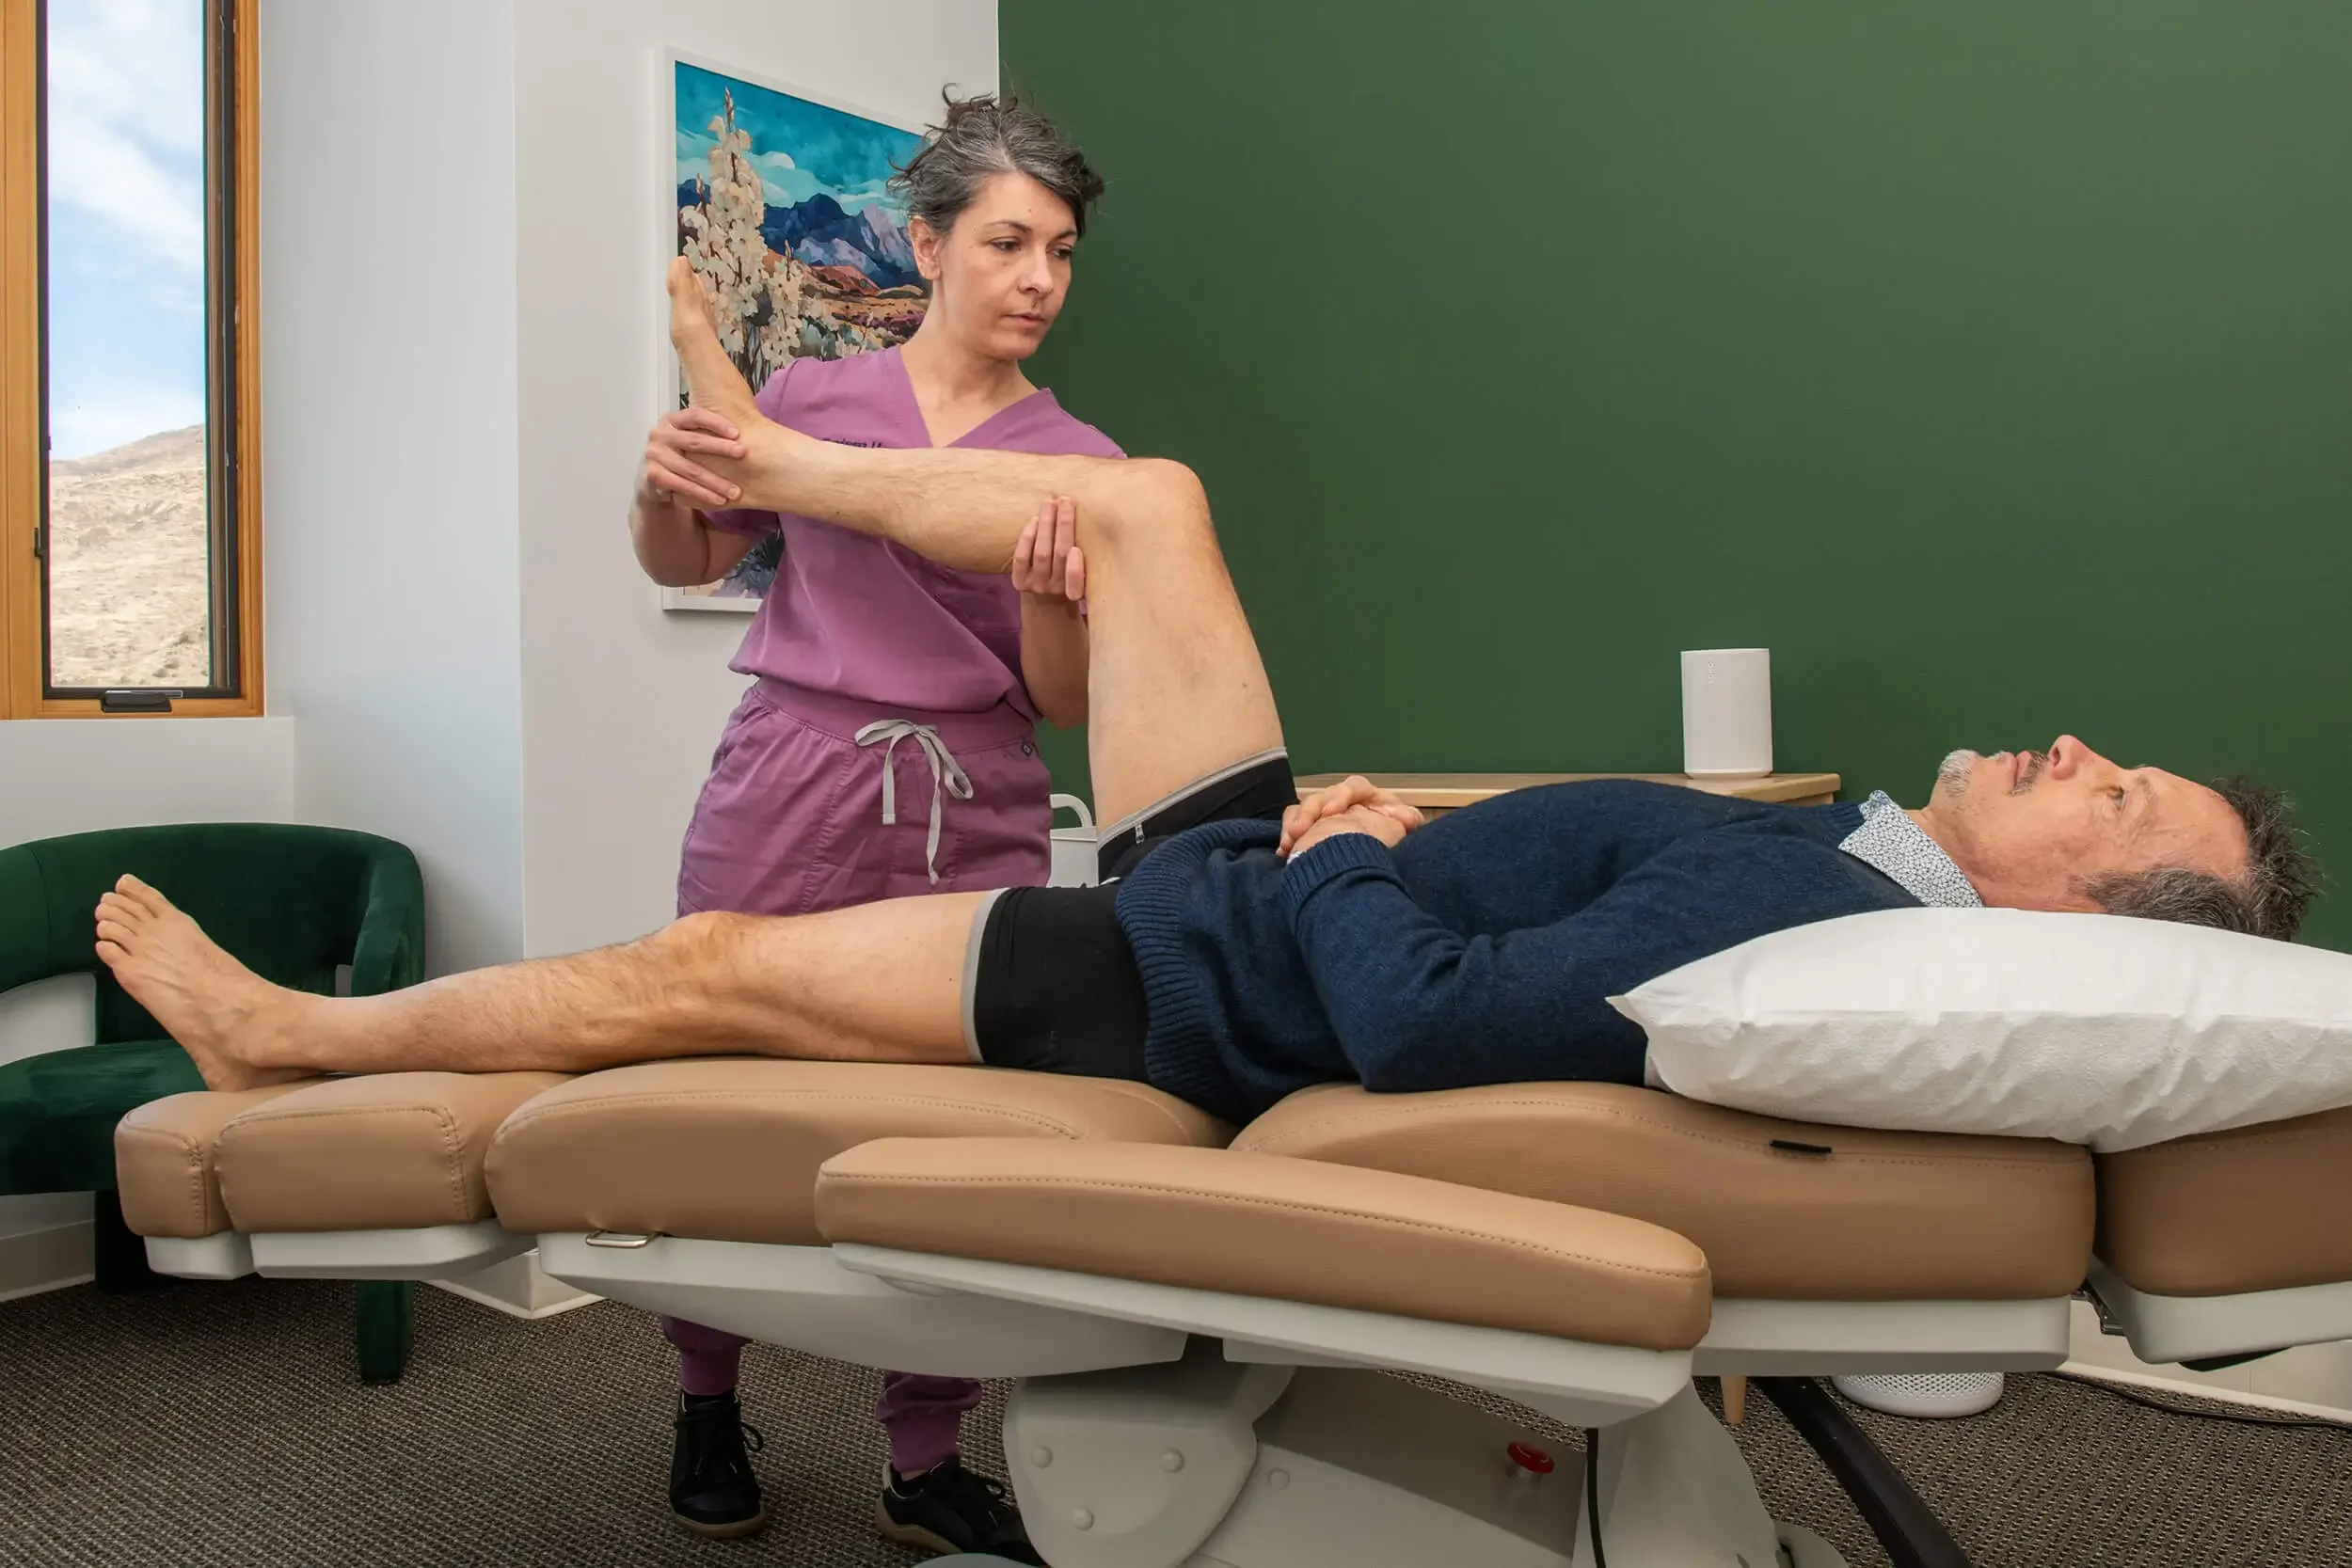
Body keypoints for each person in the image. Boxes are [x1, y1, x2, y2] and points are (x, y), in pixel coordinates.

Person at [98, 253, 2319, 1187]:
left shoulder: (1802, 903)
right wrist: (1390, 816)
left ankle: (296, 1041)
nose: (2060, 742)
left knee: (700, 980)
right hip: (1243, 886)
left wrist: (1347, 852)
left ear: (2084, 903)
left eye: (2103, 787)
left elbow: (1440, 1027)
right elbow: (1524, 908)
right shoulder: (1824, 857)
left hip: (1196, 967)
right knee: (1137, 504)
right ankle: (768, 463)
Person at [631, 93, 1118, 1558]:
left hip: (972, 803)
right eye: (1009, 242)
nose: (1039, 276)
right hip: (789, 772)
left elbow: (1065, 698)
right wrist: (660, 483)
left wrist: (1047, 587)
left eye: (1064, 251)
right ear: (928, 242)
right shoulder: (814, 403)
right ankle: (706, 1394)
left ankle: (924, 1451)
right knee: (719, 1088)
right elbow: (692, 550)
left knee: (942, 1122)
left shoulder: (1080, 460)